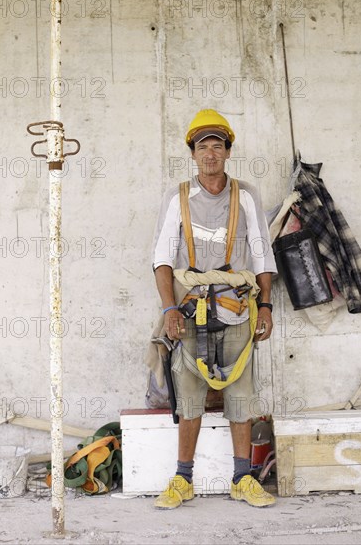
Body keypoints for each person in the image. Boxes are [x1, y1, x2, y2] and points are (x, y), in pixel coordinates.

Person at [151, 109, 277, 509]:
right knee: (189, 398)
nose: (210, 153)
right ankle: (183, 479)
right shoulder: (179, 198)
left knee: (240, 396)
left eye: (217, 145)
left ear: (227, 152)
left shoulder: (246, 195)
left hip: (237, 309)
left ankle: (243, 478)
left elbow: (262, 256)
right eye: (202, 146)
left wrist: (267, 305)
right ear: (192, 154)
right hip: (190, 312)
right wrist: (170, 309)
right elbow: (162, 261)